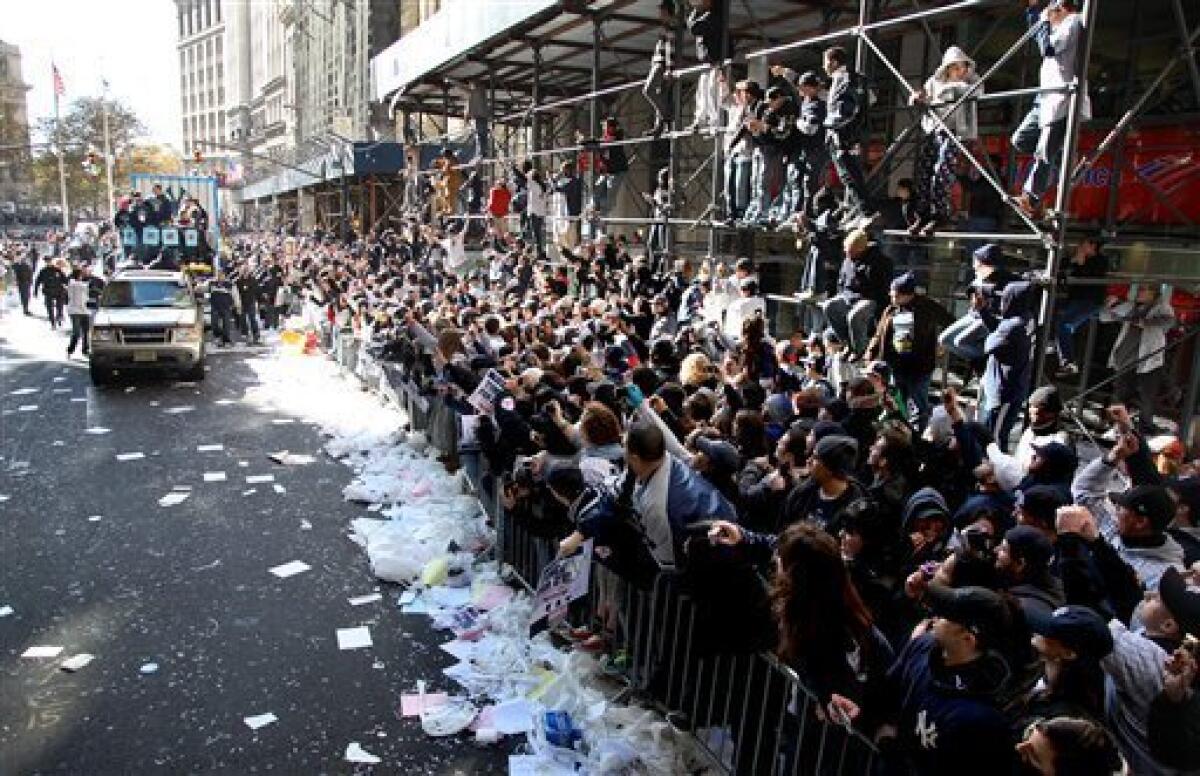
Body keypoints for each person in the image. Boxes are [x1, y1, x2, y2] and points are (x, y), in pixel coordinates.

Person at [878, 581, 1016, 776]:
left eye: (946, 615)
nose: (935, 615)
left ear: (968, 638)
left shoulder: (982, 718)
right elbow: (888, 691)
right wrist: (885, 730)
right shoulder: (924, 645)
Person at [1013, 0, 1092, 219]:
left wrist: (1044, 21)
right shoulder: (1057, 25)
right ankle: (1067, 163)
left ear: (1063, 9)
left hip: (1063, 98)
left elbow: (1049, 48)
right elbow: (1037, 37)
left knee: (1044, 152)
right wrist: (1034, 14)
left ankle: (1030, 198)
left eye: (1053, 9)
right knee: (1021, 139)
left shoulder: (1073, 22)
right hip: (1047, 98)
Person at [907, 46, 982, 235]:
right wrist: (917, 98)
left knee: (942, 170)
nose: (961, 71)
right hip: (934, 129)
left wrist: (947, 91)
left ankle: (940, 215)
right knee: (924, 173)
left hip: (956, 131)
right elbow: (920, 97)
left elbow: (974, 91)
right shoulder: (934, 82)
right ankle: (923, 215)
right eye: (956, 67)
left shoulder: (971, 82)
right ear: (947, 68)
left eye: (963, 67)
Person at [865, 271, 953, 429]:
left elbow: (950, 322)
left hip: (920, 365)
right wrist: (870, 353)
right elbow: (879, 333)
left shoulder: (927, 306)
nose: (893, 298)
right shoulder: (891, 309)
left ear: (908, 295)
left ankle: (917, 435)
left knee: (918, 404)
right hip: (896, 364)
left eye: (896, 296)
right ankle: (900, 430)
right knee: (898, 401)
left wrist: (943, 343)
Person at [1100, 284, 1175, 435]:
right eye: (1139, 289)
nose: (1139, 292)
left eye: (1143, 289)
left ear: (1153, 294)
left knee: (1147, 398)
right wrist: (1109, 305)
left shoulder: (1161, 307)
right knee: (1121, 395)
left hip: (1148, 361)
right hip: (1126, 359)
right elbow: (1104, 317)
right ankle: (1118, 427)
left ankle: (1144, 429)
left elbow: (1168, 322)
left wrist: (1143, 322)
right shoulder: (1130, 306)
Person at [821, 228, 892, 355]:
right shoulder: (847, 260)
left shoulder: (880, 262)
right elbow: (842, 282)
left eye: (851, 252)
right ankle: (847, 343)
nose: (847, 255)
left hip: (869, 298)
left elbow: (882, 289)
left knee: (854, 315)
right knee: (828, 306)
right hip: (848, 296)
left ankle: (859, 350)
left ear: (860, 249)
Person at [822, 45, 871, 218]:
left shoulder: (843, 79)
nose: (824, 67)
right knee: (851, 175)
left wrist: (831, 124)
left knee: (849, 176)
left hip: (843, 136)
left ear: (834, 62)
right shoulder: (855, 79)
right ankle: (863, 212)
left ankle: (866, 212)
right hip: (850, 134)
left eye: (825, 62)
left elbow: (845, 110)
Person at [1054, 234, 1109, 376]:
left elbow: (1090, 275)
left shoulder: (1100, 261)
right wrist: (1074, 261)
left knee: (1064, 325)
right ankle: (1060, 350)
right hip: (1075, 301)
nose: (1079, 247)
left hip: (1089, 302)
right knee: (1060, 324)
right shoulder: (1077, 259)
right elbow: (1060, 269)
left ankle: (1068, 362)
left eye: (1083, 244)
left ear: (1092, 246)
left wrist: (1080, 262)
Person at [685, 0, 727, 133]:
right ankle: (700, 121)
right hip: (707, 63)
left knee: (711, 93)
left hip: (715, 62)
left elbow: (694, 28)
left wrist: (694, 12)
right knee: (702, 94)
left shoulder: (713, 16)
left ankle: (714, 123)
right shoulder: (708, 15)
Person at [643, 1, 676, 138]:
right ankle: (660, 125)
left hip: (661, 63)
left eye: (662, 11)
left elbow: (670, 47)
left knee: (649, 90)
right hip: (660, 62)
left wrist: (669, 67)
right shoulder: (666, 26)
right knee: (661, 95)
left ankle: (667, 117)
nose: (660, 14)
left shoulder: (671, 26)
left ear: (667, 12)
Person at [33, 257, 67, 329]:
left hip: (59, 291)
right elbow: (37, 281)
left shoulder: (57, 270)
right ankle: (52, 322)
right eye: (47, 262)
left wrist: (67, 288)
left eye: (49, 261)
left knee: (59, 306)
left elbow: (65, 280)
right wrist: (35, 291)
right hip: (48, 291)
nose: (48, 263)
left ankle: (59, 316)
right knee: (49, 307)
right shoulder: (43, 271)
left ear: (52, 262)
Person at [65, 267, 91, 358]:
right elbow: (82, 287)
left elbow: (86, 296)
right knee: (77, 332)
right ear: (79, 275)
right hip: (75, 311)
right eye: (81, 274)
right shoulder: (74, 284)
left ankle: (85, 349)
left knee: (86, 331)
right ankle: (70, 350)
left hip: (84, 310)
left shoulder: (79, 284)